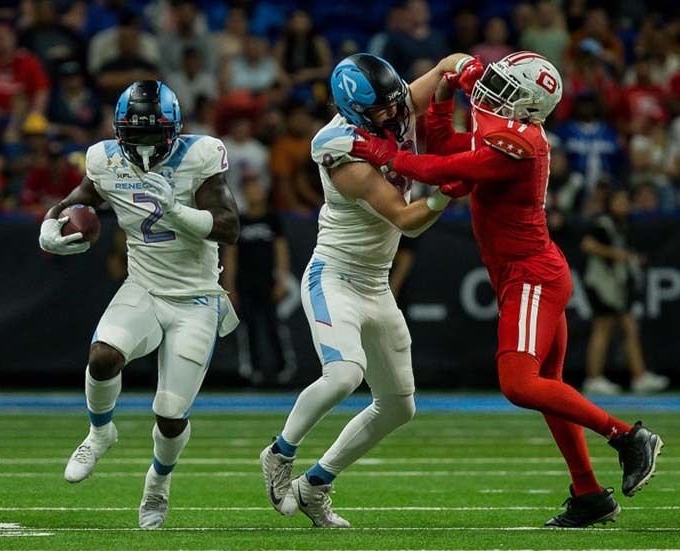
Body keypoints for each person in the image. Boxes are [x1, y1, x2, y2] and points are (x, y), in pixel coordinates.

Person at [349, 52, 663, 527]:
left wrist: (378, 153)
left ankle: (627, 437)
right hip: (524, 272)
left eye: (506, 89)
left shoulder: (519, 143)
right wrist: (442, 96)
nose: (494, 94)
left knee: (519, 384)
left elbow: (434, 169)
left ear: (529, 105)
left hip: (530, 274)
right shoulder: (507, 131)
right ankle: (588, 494)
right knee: (546, 390)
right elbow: (449, 145)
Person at [259, 52, 468, 527]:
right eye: (383, 111)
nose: (396, 114)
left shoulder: (393, 106)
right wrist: (449, 189)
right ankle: (279, 452)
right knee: (344, 374)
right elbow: (407, 219)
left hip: (376, 284)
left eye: (396, 104)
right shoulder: (343, 155)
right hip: (335, 276)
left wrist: (471, 70)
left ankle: (316, 483)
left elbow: (445, 66)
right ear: (356, 112)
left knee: (398, 406)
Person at [39, 81, 239, 529]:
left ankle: (158, 482)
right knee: (103, 356)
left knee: (170, 415)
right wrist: (49, 227)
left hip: (196, 298)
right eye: (137, 136)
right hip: (143, 287)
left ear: (174, 131)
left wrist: (178, 211)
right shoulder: (105, 159)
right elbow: (74, 203)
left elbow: (228, 227)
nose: (146, 147)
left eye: (154, 136)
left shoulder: (200, 155)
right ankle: (99, 431)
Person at [581, 188, 669, 395]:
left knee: (629, 327)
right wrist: (616, 254)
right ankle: (593, 378)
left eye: (625, 200)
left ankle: (639, 376)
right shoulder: (602, 223)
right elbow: (588, 244)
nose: (622, 205)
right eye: (618, 200)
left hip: (618, 285)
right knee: (603, 327)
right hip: (602, 283)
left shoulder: (625, 224)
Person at [222, 174, 294, 386]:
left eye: (257, 188)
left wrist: (282, 280)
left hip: (268, 282)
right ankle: (252, 371)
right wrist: (230, 286)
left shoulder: (272, 220)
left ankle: (283, 369)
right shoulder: (240, 221)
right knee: (249, 328)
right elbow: (230, 255)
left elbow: (281, 252)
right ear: (244, 194)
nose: (255, 193)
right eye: (250, 189)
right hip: (246, 283)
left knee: (274, 326)